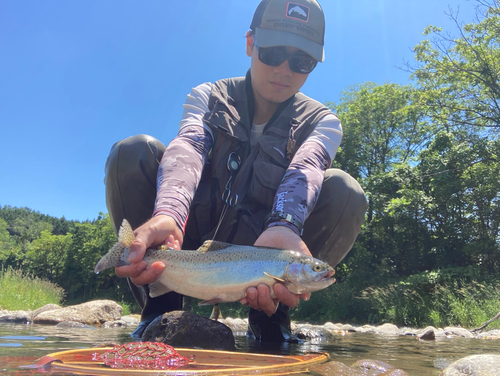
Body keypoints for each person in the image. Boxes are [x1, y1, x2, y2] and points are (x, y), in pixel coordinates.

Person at [104, 0, 367, 342]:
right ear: (249, 43)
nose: (285, 69)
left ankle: (271, 316)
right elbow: (189, 149)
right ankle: (161, 308)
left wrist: (285, 226)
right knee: (133, 151)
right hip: (185, 242)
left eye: (302, 61)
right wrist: (167, 213)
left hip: (265, 248)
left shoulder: (324, 123)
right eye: (272, 52)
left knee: (345, 190)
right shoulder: (207, 95)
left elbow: (306, 170)